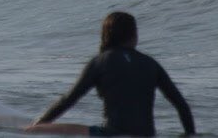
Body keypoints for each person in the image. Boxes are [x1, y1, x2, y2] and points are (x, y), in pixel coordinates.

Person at [25, 12, 195, 136]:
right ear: (134, 36)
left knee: (41, 130)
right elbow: (181, 105)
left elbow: (69, 100)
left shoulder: (101, 62)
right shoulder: (150, 63)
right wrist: (190, 134)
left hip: (112, 135)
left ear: (105, 36)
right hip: (146, 136)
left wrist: (41, 123)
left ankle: (34, 128)